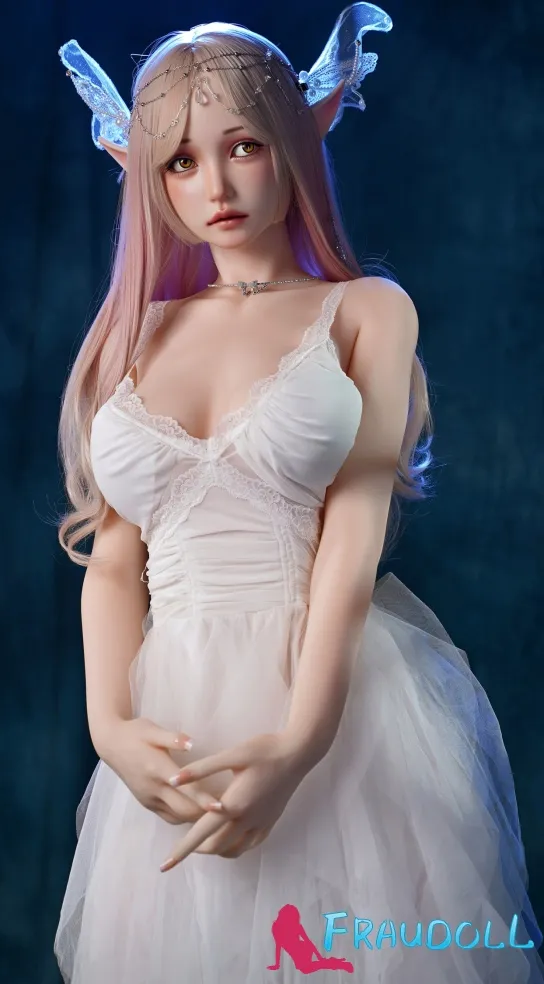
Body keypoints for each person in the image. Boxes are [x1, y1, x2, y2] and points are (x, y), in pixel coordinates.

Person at [54, 6, 544, 981]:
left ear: (294, 140)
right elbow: (113, 564)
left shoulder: (366, 312)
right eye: (180, 161)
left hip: (331, 702)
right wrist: (110, 725)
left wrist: (302, 740)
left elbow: (351, 543)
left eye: (242, 145)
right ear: (148, 176)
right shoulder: (130, 337)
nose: (216, 185)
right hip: (172, 717)